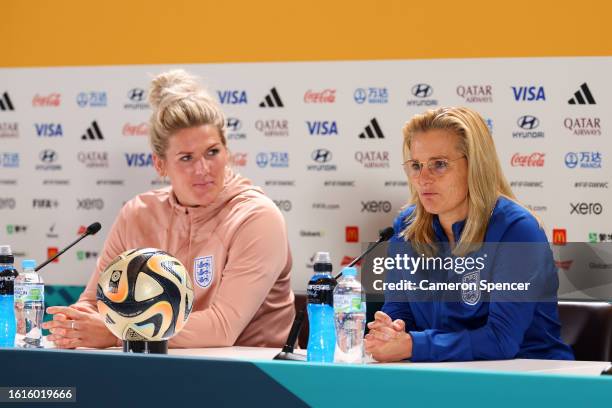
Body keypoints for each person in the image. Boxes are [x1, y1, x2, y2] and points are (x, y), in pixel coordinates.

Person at [43, 69, 295, 348]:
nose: (203, 169)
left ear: (227, 151)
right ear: (160, 165)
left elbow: (222, 326)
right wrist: (74, 325)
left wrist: (117, 333)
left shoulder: (257, 217)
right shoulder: (138, 213)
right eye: (186, 158)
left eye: (212, 152)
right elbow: (94, 303)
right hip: (158, 371)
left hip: (256, 380)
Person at [364, 107, 574, 362]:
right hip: (442, 376)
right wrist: (389, 333)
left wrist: (412, 346)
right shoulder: (407, 228)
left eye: (439, 164)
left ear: (476, 165)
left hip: (529, 380)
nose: (423, 178)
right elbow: (399, 316)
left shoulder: (518, 230)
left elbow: (501, 339)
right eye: (416, 165)